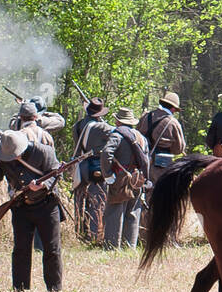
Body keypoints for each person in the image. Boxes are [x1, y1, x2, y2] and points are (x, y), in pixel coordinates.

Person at [0, 129, 64, 292]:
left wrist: (43, 184)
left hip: (46, 204)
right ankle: (20, 288)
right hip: (20, 205)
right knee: (21, 248)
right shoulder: (2, 156)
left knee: (52, 248)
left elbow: (56, 174)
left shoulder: (44, 152)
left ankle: (54, 288)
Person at [101, 107, 148, 250]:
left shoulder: (117, 135)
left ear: (117, 121)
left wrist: (108, 175)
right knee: (133, 211)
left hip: (120, 179)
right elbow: (146, 159)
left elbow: (106, 153)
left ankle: (111, 246)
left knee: (115, 211)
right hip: (137, 178)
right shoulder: (141, 137)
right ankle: (130, 246)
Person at [71, 98, 114, 244]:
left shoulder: (77, 125)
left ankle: (79, 233)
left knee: (79, 200)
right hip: (95, 166)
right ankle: (95, 236)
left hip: (81, 166)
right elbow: (116, 135)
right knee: (97, 201)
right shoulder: (102, 127)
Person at [138, 91, 185, 180]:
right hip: (161, 165)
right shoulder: (173, 123)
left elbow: (137, 135)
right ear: (173, 109)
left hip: (142, 160)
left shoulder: (146, 116)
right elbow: (179, 149)